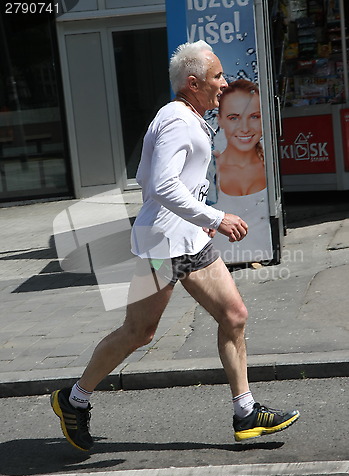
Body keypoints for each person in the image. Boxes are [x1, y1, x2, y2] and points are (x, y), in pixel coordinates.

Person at [50, 41, 299, 452]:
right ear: (193, 82)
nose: (223, 83)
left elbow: (148, 175)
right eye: (217, 77)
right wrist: (215, 217)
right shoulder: (176, 120)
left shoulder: (187, 118)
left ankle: (246, 413)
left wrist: (200, 219)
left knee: (234, 316)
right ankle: (73, 399)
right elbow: (161, 184)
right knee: (139, 332)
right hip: (161, 243)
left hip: (189, 239)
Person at [215, 79, 266, 197]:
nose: (245, 128)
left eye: (254, 117)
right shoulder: (209, 169)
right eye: (233, 118)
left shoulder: (272, 163)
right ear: (220, 120)